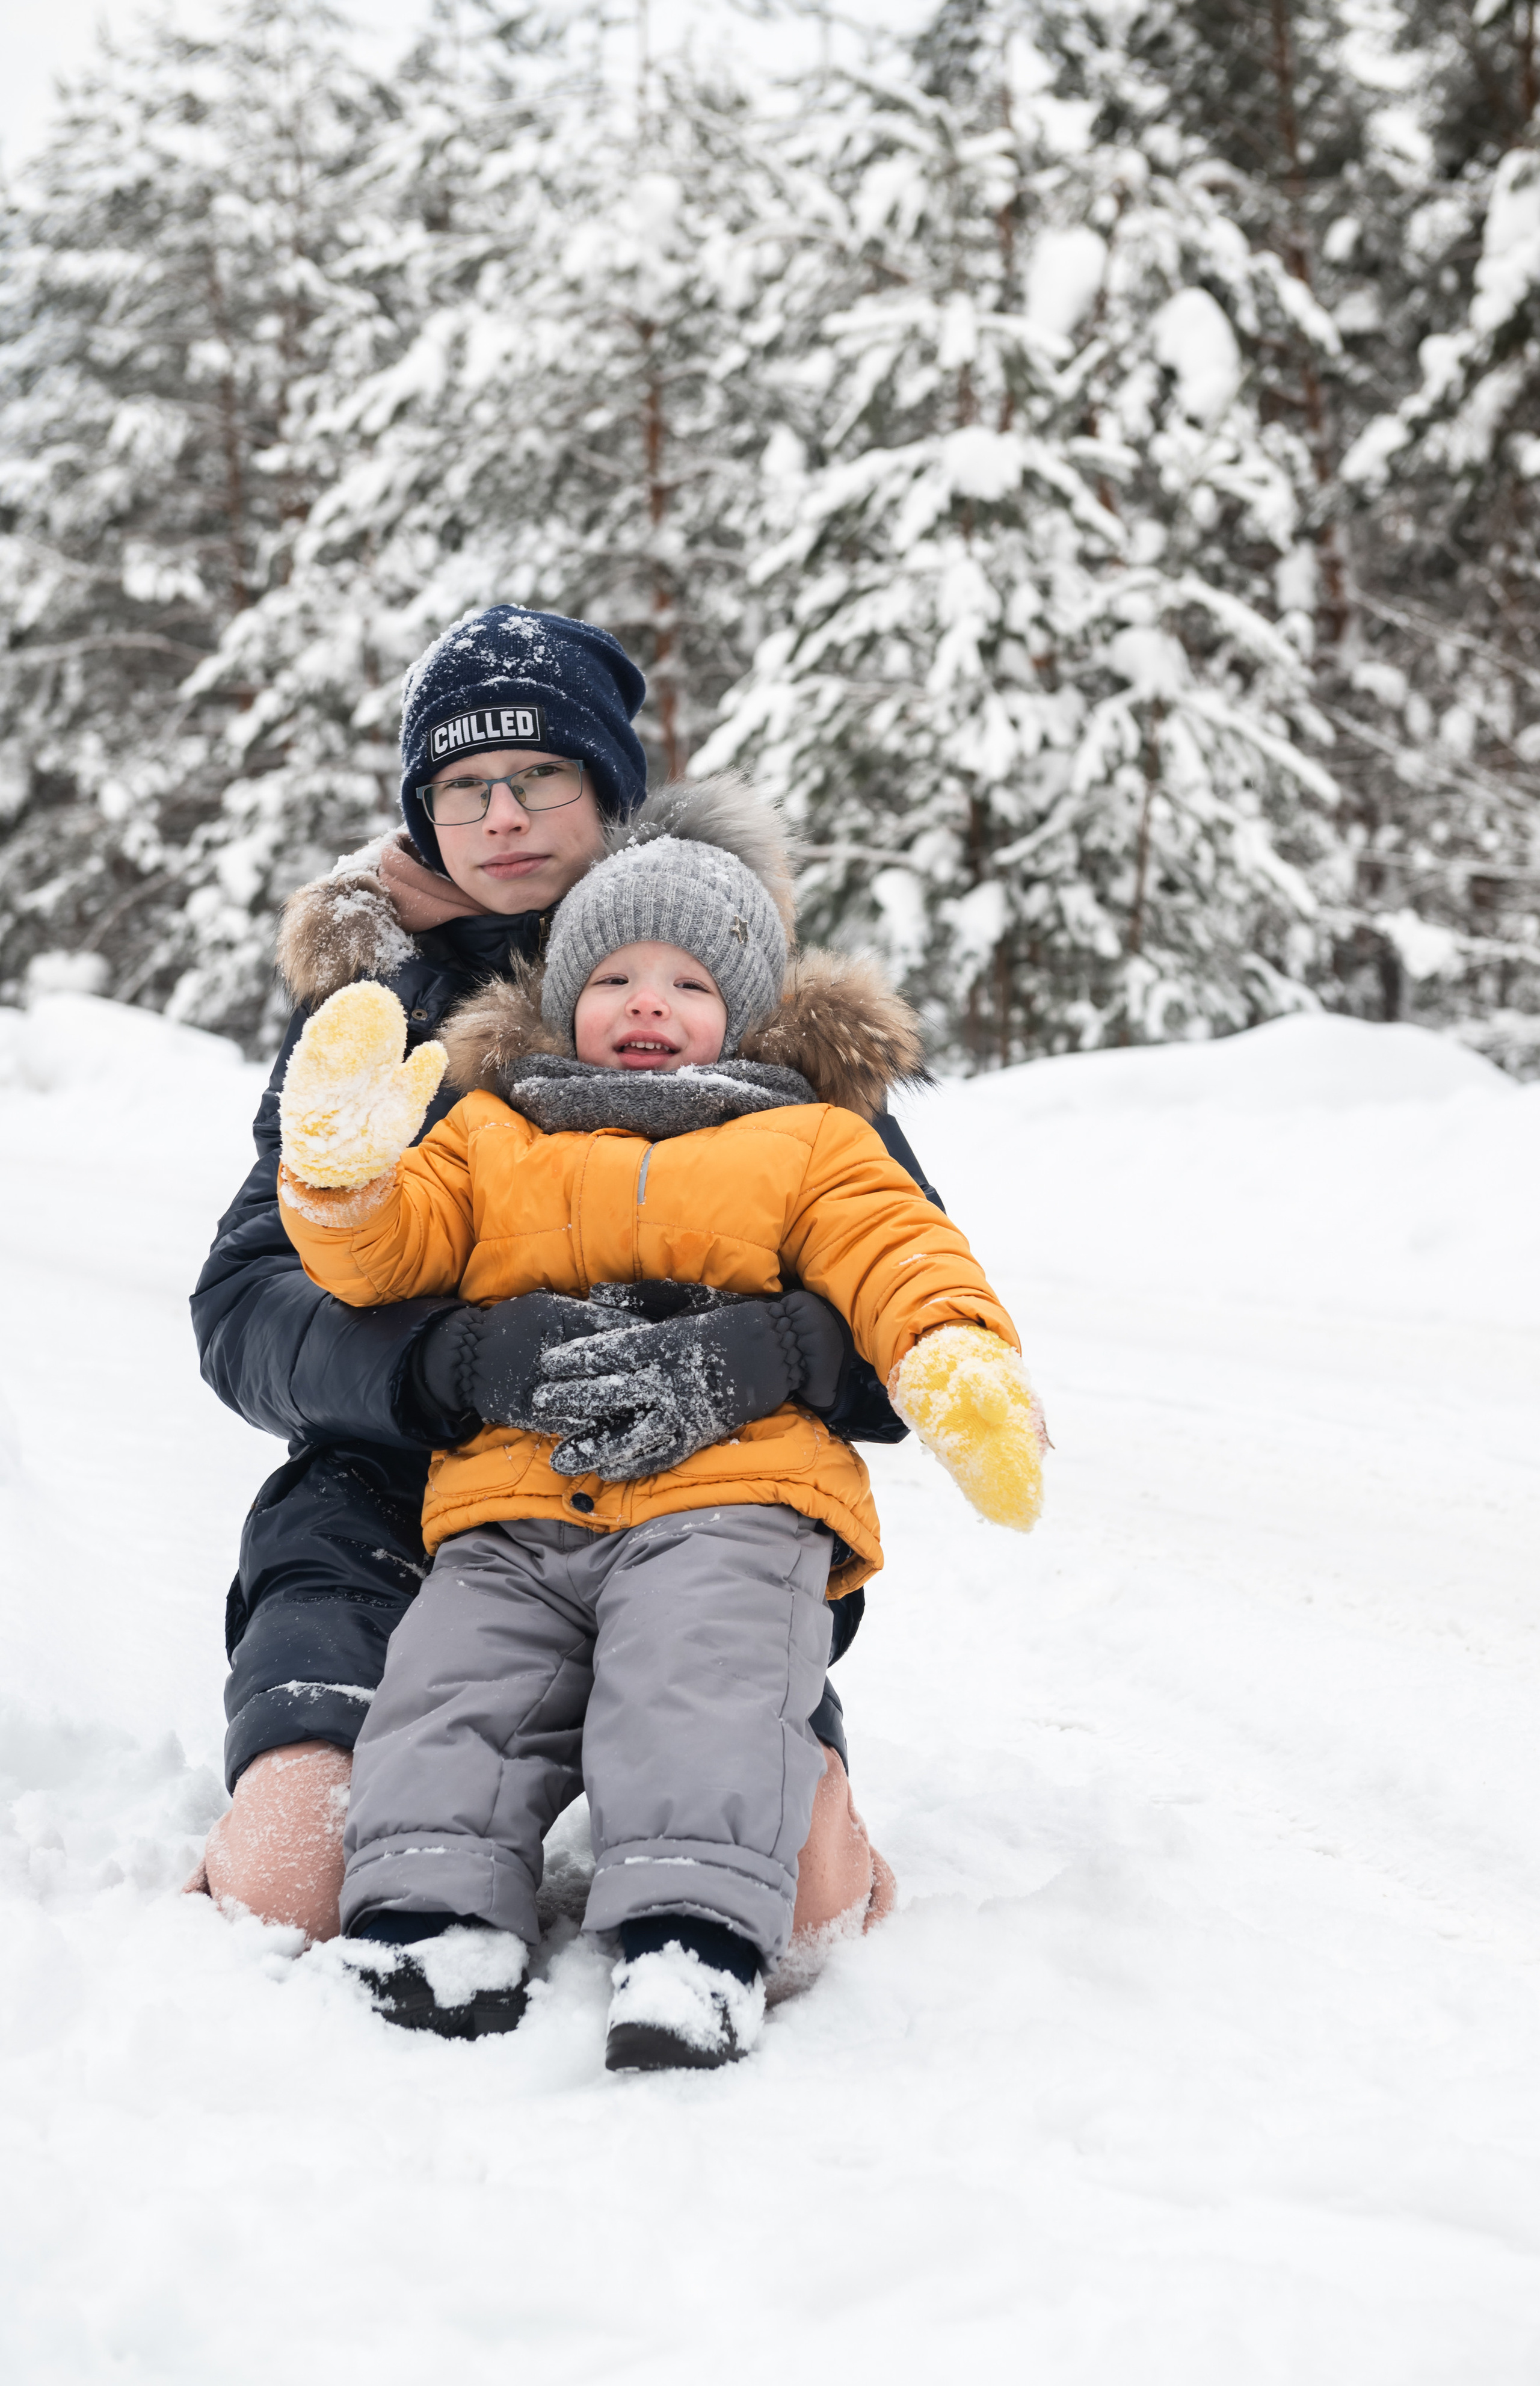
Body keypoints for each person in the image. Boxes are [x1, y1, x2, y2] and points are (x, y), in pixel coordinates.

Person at [186, 606, 936, 1946]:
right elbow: (248, 1306)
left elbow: (906, 1296)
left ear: (609, 792)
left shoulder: (730, 993)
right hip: (394, 1491)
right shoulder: (376, 1008)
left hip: (702, 1496)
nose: (503, 815)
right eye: (463, 787)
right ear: (423, 816)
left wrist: (764, 1356)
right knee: (285, 1882)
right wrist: (450, 1364)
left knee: (812, 1912)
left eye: (541, 776)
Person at [275, 779, 1046, 2068]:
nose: (647, 1004)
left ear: (743, 1011)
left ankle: (691, 1939)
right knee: (454, 1686)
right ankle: (431, 1915)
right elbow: (380, 1260)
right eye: (615, 977)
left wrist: (950, 1357)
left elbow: (900, 1256)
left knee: (699, 1685)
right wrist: (344, 1175)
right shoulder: (493, 1131)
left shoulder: (809, 1139)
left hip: (729, 1504)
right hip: (513, 1503)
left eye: (687, 985)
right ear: (561, 1000)